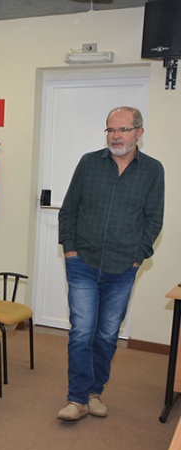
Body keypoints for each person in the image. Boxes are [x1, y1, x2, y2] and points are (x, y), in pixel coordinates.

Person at [57, 106, 164, 422]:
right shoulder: (89, 163)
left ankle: (94, 392)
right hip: (83, 262)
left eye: (123, 130)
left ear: (139, 133)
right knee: (81, 332)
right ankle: (76, 399)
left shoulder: (153, 171)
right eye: (110, 130)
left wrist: (138, 255)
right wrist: (70, 249)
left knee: (105, 335)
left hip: (122, 267)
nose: (116, 136)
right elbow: (69, 210)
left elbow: (153, 219)